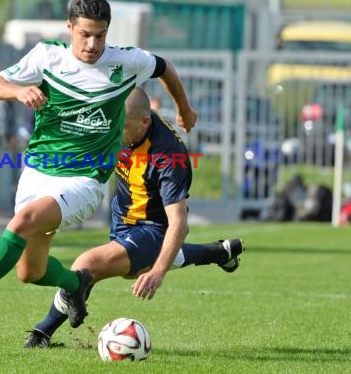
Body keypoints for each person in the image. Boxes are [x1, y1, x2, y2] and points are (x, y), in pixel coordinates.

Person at [0, 0, 197, 328]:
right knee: (30, 272)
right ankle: (75, 284)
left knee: (23, 221)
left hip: (84, 180)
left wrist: (184, 110)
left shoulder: (124, 62)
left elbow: (165, 68)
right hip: (38, 173)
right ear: (69, 27)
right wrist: (17, 90)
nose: (92, 44)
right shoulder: (45, 57)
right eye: (84, 34)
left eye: (100, 35)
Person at [24, 88, 244, 348]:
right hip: (123, 214)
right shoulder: (115, 120)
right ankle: (218, 252)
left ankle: (41, 333)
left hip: (154, 227)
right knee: (121, 271)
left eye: (123, 127)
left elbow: (179, 223)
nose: (116, 132)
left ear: (145, 122)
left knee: (87, 264)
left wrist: (159, 272)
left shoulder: (169, 157)